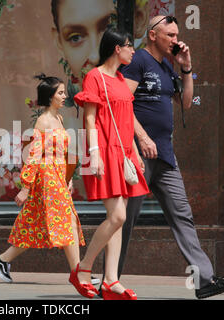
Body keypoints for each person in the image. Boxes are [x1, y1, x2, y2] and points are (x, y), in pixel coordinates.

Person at [117, 15, 224, 299]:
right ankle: (110, 280)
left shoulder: (166, 66)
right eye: (170, 35)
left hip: (165, 154)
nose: (176, 40)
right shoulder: (138, 62)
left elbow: (188, 101)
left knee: (182, 215)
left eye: (176, 35)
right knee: (124, 219)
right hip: (138, 153)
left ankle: (204, 280)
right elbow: (122, 104)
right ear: (152, 35)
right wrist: (142, 138)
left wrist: (186, 69)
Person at [72, 27, 150, 300]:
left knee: (116, 220)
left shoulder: (119, 79)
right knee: (118, 216)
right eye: (130, 46)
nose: (133, 51)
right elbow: (90, 118)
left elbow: (125, 121)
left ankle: (111, 280)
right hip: (103, 150)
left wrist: (135, 153)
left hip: (124, 153)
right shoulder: (95, 77)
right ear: (117, 49)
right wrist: (93, 153)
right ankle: (82, 269)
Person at [0, 74, 87, 283]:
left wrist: (67, 178)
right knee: (67, 220)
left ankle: (2, 259)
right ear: (50, 96)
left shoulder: (58, 118)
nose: (64, 96)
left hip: (57, 177)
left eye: (63, 92)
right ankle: (79, 274)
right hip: (46, 176)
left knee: (34, 225)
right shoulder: (43, 122)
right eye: (60, 93)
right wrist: (25, 187)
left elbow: (60, 153)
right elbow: (33, 156)